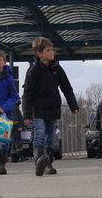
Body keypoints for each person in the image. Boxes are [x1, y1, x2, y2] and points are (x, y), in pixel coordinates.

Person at [23, 36, 80, 176]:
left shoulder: (57, 68)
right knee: (40, 134)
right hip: (38, 110)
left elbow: (67, 88)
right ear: (39, 53)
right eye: (48, 50)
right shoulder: (33, 71)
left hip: (53, 109)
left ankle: (48, 164)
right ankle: (38, 160)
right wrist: (27, 113)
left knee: (50, 137)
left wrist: (73, 106)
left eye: (52, 50)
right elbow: (27, 93)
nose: (51, 52)